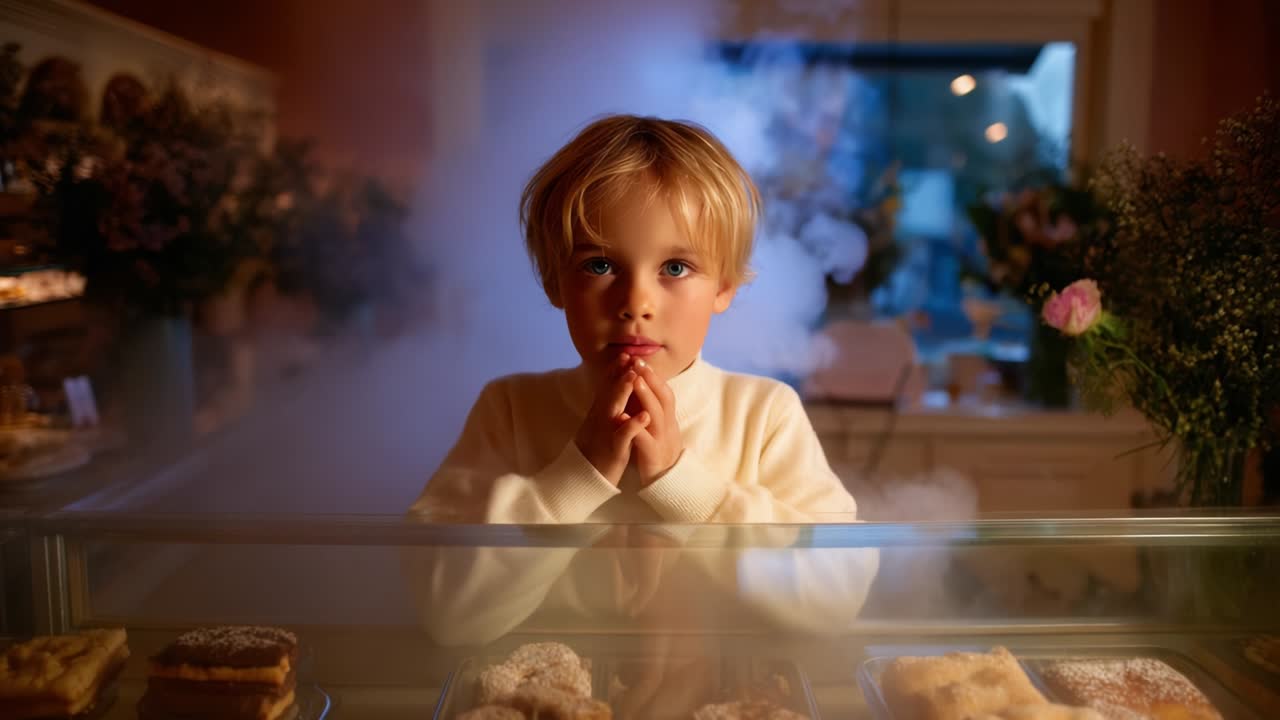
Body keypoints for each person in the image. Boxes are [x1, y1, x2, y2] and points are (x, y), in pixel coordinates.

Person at [405, 115, 878, 644]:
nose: (635, 303)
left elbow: (838, 596)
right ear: (553, 280)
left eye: (675, 268)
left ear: (723, 287)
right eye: (600, 266)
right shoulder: (510, 408)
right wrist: (579, 474)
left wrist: (682, 483)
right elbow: (446, 612)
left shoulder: (763, 413)